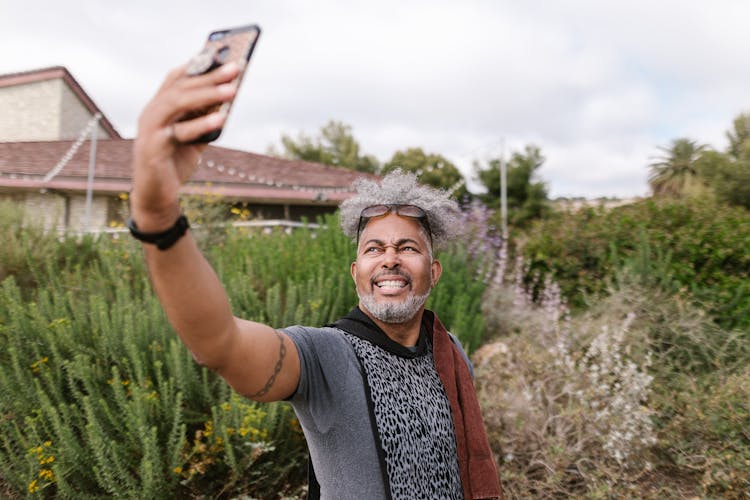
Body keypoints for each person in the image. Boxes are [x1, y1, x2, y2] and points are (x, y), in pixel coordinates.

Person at [129, 59, 502, 500]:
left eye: (407, 248)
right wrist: (157, 216)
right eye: (373, 249)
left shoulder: (452, 355)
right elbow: (219, 343)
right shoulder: (325, 356)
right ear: (355, 272)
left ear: (433, 272)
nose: (389, 260)